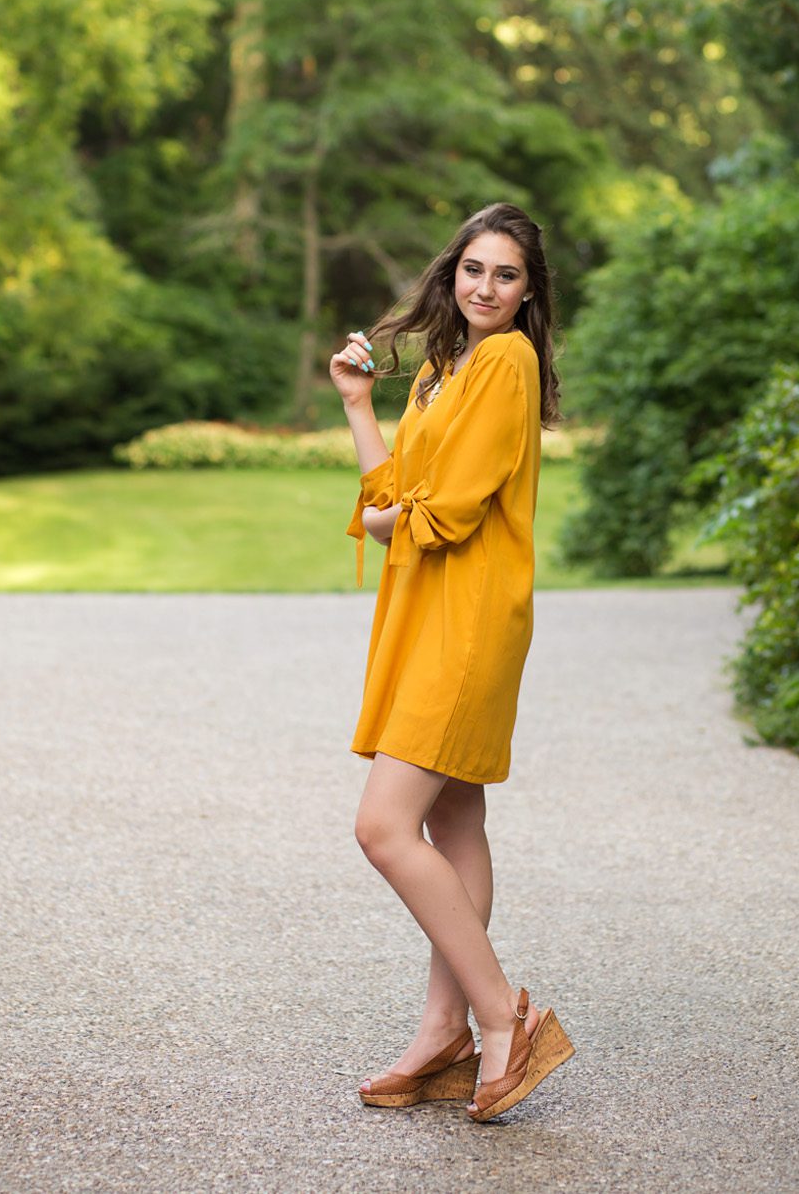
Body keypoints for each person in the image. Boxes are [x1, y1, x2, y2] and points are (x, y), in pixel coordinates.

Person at [327, 201, 575, 1121]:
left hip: (466, 617)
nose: (486, 287)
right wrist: (359, 405)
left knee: (384, 827)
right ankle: (442, 1039)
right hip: (427, 606)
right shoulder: (441, 365)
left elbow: (443, 512)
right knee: (456, 825)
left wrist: (392, 519)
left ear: (528, 290)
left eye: (507, 275)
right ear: (452, 273)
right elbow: (392, 489)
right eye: (475, 269)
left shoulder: (506, 361)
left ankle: (502, 1014)